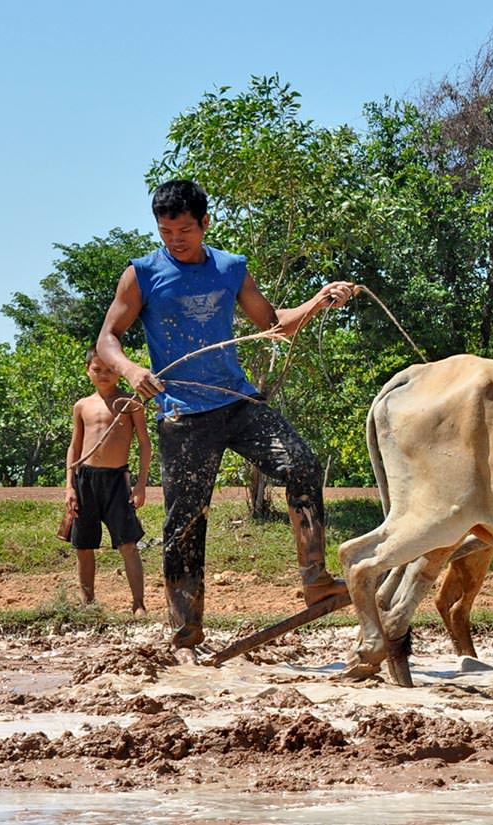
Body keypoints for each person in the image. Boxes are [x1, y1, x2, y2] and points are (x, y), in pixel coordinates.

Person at [94, 179, 359, 662]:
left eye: (185, 230)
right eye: (166, 231)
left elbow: (273, 323)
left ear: (205, 224)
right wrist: (132, 370)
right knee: (185, 523)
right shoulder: (142, 275)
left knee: (300, 463)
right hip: (183, 415)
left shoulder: (231, 268)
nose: (176, 240)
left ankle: (317, 581)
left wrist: (319, 300)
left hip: (235, 402)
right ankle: (185, 637)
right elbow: (108, 338)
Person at [61, 347, 150, 614]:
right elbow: (74, 447)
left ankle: (138, 604)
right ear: (88, 370)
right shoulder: (82, 406)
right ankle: (88, 603)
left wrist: (141, 484)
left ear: (120, 372)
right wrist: (69, 486)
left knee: (128, 544)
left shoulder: (130, 403)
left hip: (116, 481)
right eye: (97, 369)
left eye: (110, 369)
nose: (103, 374)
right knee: (84, 545)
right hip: (85, 480)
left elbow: (144, 443)